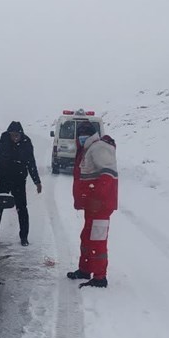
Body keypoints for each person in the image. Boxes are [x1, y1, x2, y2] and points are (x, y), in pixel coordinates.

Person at [67, 121, 118, 288]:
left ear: (90, 135)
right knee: (87, 237)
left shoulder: (98, 148)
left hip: (100, 206)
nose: (81, 138)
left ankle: (99, 277)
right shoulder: (88, 149)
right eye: (80, 135)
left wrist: (98, 196)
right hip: (92, 205)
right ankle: (85, 269)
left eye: (84, 134)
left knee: (97, 240)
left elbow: (108, 174)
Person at [0, 121, 42, 246]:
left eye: (17, 135)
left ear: (21, 134)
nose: (14, 137)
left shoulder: (26, 143)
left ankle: (24, 237)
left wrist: (37, 181)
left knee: (22, 208)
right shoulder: (4, 141)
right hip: (3, 179)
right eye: (12, 135)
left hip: (19, 180)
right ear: (9, 134)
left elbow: (31, 163)